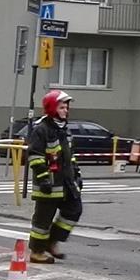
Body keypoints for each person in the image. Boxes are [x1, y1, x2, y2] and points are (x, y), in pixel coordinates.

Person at [24, 90, 84, 265]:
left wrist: (77, 174)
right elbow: (35, 155)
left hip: (66, 183)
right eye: (62, 107)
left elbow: (69, 155)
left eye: (66, 107)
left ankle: (52, 242)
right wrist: (43, 178)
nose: (66, 111)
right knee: (42, 220)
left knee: (74, 210)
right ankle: (37, 251)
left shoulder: (64, 129)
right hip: (49, 184)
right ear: (52, 108)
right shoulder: (42, 130)